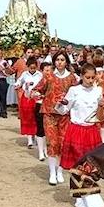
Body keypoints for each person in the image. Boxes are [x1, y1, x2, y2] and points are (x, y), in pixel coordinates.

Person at [59, 64, 103, 207]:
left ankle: (89, 194)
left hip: (92, 130)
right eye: (87, 77)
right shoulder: (74, 90)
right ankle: (78, 197)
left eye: (92, 77)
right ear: (82, 76)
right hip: (77, 129)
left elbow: (102, 112)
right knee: (77, 164)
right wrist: (60, 104)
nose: (90, 80)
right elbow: (64, 109)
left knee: (91, 165)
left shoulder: (98, 91)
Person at [32, 52, 78, 185]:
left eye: (62, 60)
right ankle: (52, 172)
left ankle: (59, 171)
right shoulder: (48, 76)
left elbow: (76, 95)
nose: (59, 62)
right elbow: (38, 89)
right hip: (49, 113)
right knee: (53, 143)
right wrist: (35, 93)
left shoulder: (72, 78)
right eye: (57, 60)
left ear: (66, 62)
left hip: (65, 115)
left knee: (63, 144)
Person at [14, 56, 44, 153]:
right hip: (26, 98)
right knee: (27, 118)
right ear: (27, 67)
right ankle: (29, 139)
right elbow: (18, 81)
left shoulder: (40, 75)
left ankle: (35, 136)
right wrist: (17, 85)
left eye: (34, 68)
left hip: (36, 99)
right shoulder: (24, 74)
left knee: (35, 118)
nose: (32, 70)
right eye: (31, 68)